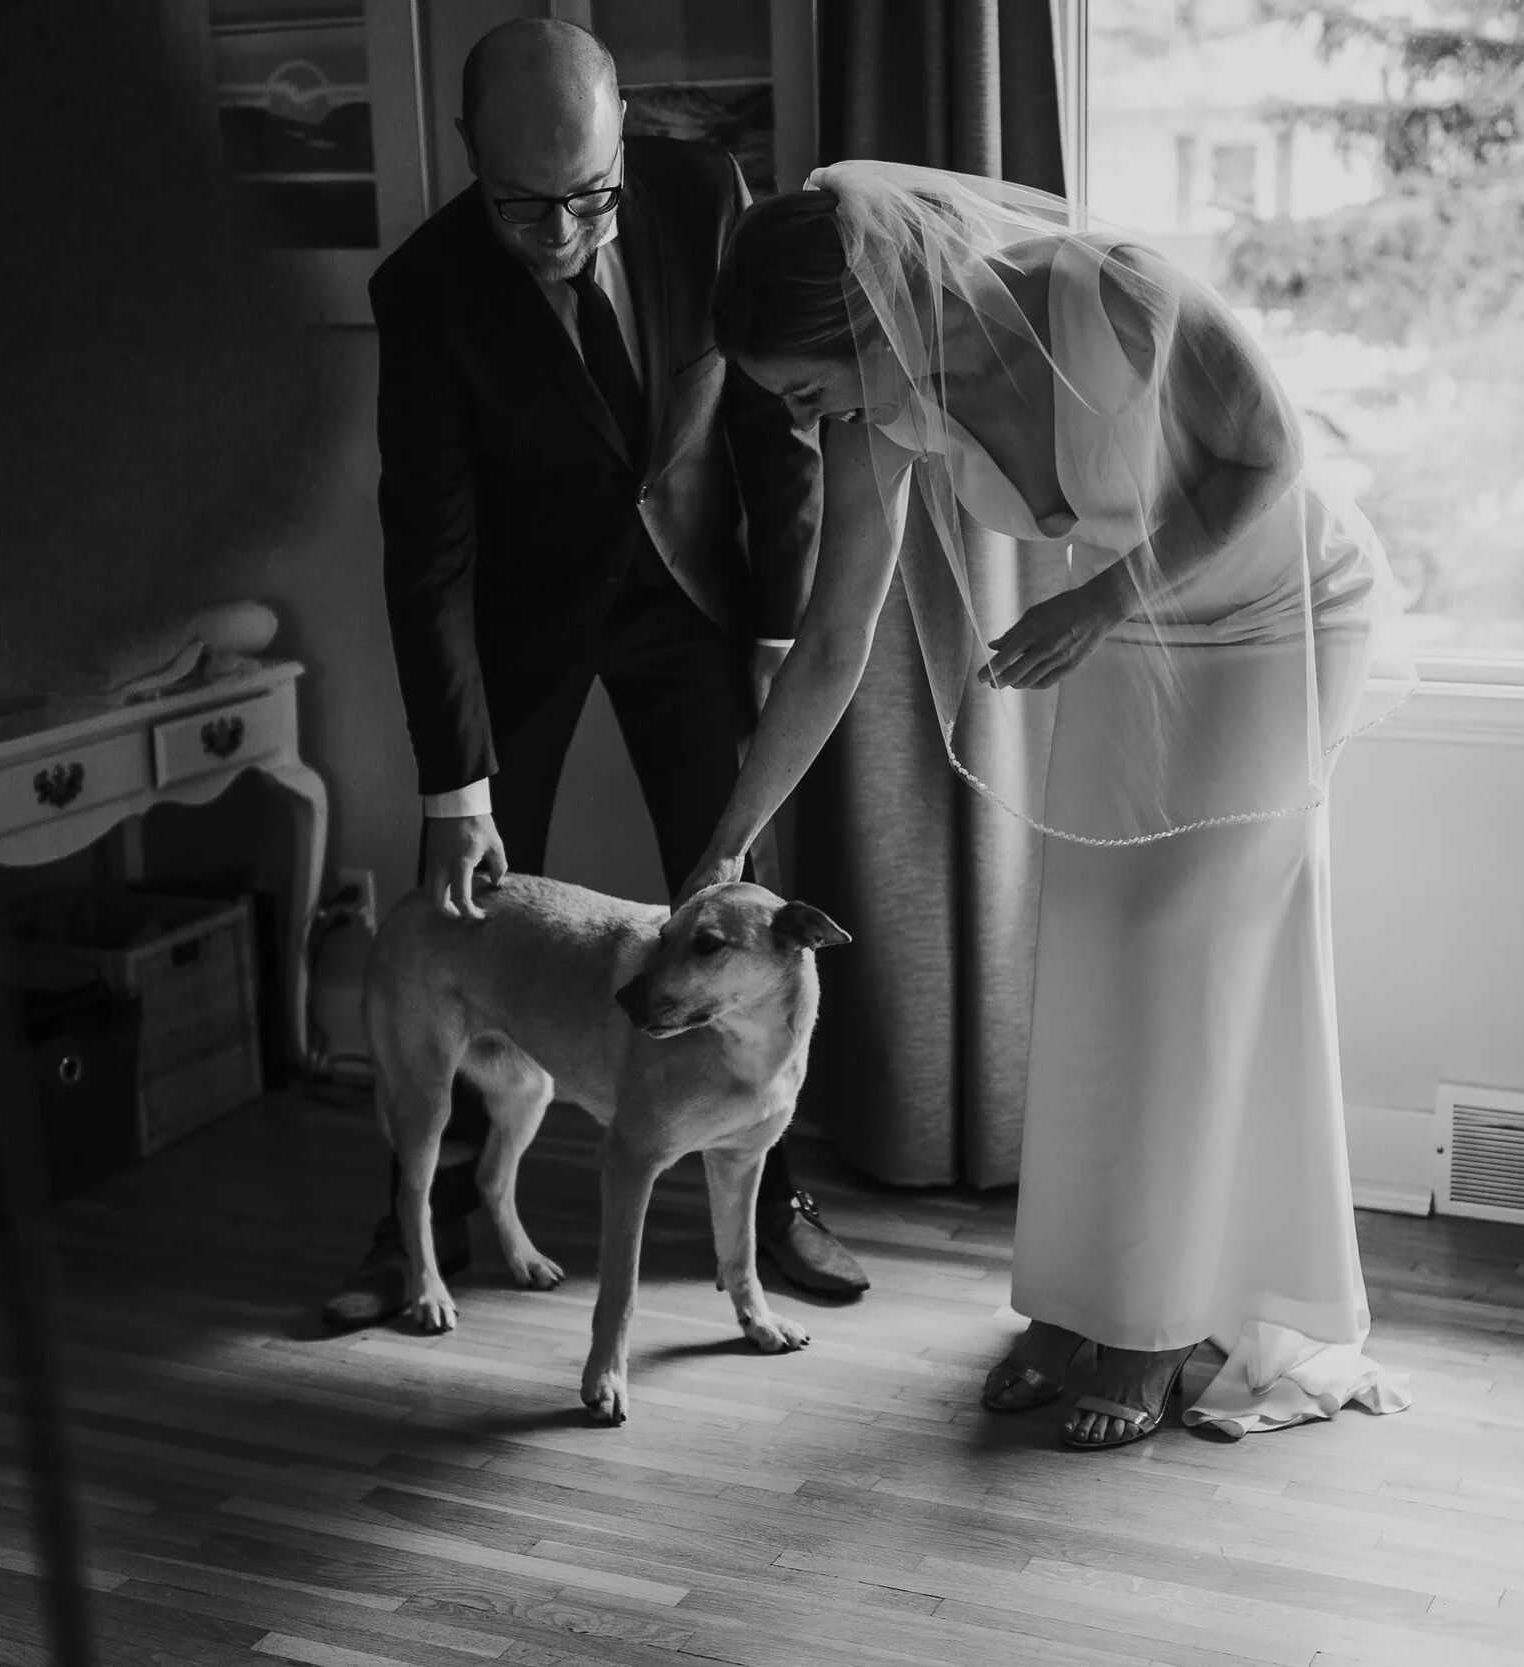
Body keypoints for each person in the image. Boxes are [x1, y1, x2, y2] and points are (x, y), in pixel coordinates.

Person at [679, 162, 1415, 1448]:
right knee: (1089, 956)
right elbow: (834, 638)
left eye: (803, 388)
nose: (802, 418)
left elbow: (1268, 455)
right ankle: (1077, 1298)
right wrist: (729, 835)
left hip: (1277, 618)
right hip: (1130, 635)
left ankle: (1162, 1321)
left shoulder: (1110, 292)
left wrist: (1098, 599)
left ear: (865, 316)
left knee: (1189, 957)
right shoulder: (878, 413)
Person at [324, 20, 870, 1329]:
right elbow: (428, 552)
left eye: (591, 197)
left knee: (735, 900)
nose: (563, 232)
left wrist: (778, 624)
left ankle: (770, 1194)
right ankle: (423, 1224)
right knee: (463, 916)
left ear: (626, 136)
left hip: (691, 599)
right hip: (524, 623)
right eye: (525, 206)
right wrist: (455, 785)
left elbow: (771, 426)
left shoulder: (706, 192)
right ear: (469, 151)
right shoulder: (426, 289)